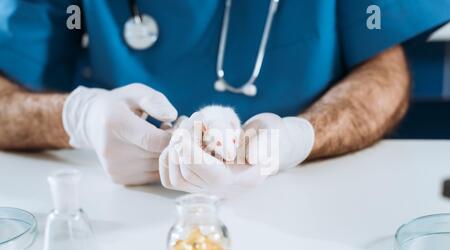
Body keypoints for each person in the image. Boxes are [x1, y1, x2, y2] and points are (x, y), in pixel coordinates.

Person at [0, 0, 449, 192]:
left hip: (310, 191)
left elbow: (385, 71)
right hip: (129, 200)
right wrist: (78, 118)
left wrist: (300, 138)